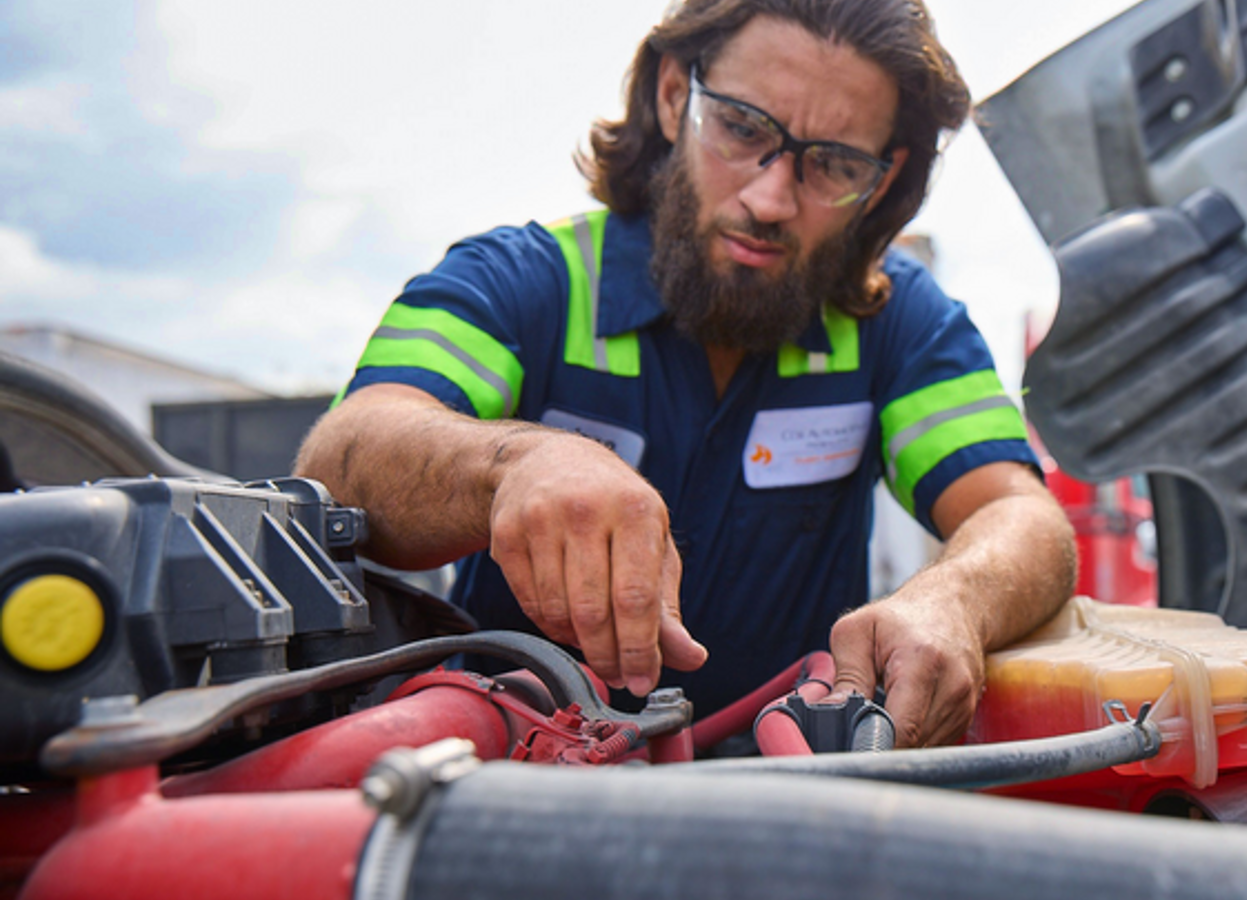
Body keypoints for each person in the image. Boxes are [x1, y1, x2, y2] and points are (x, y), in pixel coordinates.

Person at [295, 0, 1076, 748]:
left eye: (831, 163)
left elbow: (1022, 514)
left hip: (792, 805)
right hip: (518, 800)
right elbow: (343, 457)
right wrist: (516, 463)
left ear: (884, 175)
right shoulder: (523, 282)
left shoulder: (902, 323)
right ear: (674, 96)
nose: (770, 197)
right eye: (741, 128)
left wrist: (954, 602)